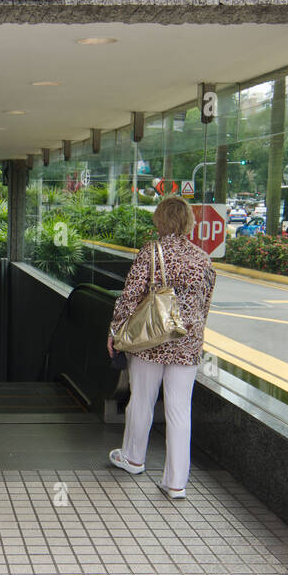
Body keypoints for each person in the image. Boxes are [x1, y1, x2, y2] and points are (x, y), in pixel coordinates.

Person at [106, 195, 216, 499]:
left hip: (151, 340)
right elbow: (205, 303)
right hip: (187, 343)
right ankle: (176, 482)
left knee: (142, 400)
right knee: (179, 410)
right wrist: (193, 336)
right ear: (188, 222)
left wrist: (115, 330)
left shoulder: (152, 252)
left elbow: (130, 297)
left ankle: (133, 458)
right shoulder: (202, 258)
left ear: (160, 220)